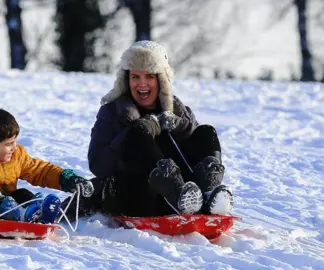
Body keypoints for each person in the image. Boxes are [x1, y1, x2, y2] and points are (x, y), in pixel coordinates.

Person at [63, 40, 233, 219]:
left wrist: (180, 126)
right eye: (135, 77)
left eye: (149, 76)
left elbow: (194, 150)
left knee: (206, 132)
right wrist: (132, 133)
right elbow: (98, 165)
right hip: (135, 194)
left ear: (161, 80)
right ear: (126, 80)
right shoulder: (112, 112)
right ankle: (176, 196)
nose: (141, 84)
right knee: (138, 134)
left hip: (188, 194)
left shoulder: (179, 111)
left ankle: (207, 193)